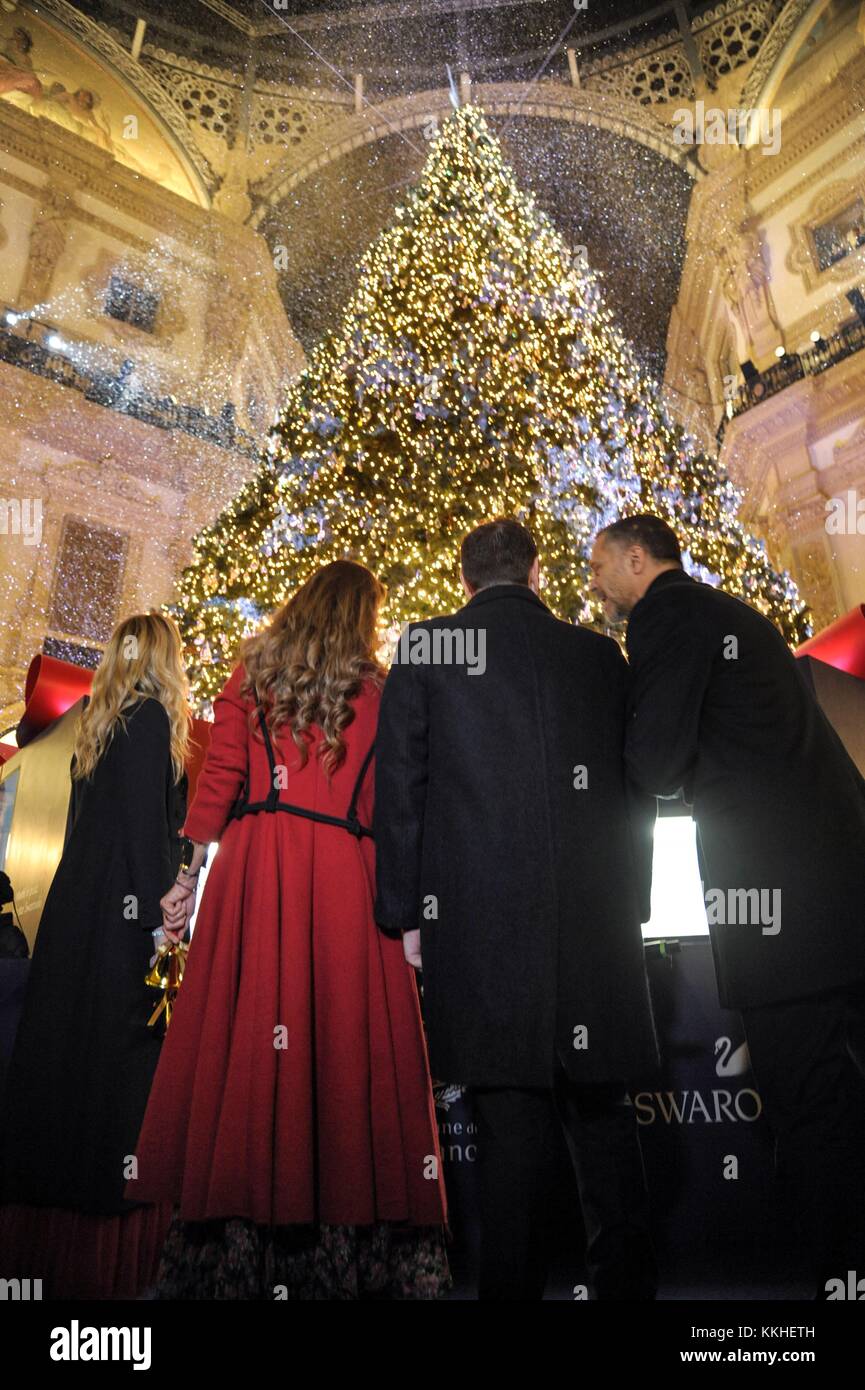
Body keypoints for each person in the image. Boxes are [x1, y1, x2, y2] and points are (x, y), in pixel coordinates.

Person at [130, 561, 450, 1300]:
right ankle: (343, 1235)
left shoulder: (254, 670)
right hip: (347, 870)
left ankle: (238, 1232)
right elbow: (389, 802)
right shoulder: (380, 689)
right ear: (365, 619)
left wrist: (186, 877)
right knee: (345, 1049)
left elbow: (219, 782)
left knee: (249, 1045)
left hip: (257, 871)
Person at [374, 518, 658, 1301]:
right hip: (596, 933)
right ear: (535, 574)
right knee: (605, 1128)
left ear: (465, 581)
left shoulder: (428, 648)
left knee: (507, 1142)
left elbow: (400, 791)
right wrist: (632, 904)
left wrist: (403, 914)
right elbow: (637, 793)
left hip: (484, 932)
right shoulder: (599, 655)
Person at [590, 512, 865, 1296]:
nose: (594, 587)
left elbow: (652, 757)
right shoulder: (728, 611)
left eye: (598, 568)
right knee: (838, 1091)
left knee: (804, 1100)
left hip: (781, 905)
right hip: (833, 889)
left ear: (636, 561)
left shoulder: (666, 617)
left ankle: (842, 1279)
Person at [0, 612, 190, 1298]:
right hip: (121, 925)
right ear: (167, 661)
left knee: (63, 1058)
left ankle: (41, 1241)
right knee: (116, 1068)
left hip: (77, 915)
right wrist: (171, 910)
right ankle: (106, 1248)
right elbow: (146, 844)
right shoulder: (149, 724)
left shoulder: (99, 723)